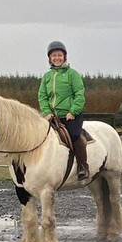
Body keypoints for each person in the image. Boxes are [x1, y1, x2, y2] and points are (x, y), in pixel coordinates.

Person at [38, 40, 89, 180]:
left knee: (74, 135)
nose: (57, 58)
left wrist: (73, 111)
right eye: (54, 55)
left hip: (70, 116)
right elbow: (42, 96)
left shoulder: (72, 74)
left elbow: (79, 94)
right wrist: (46, 112)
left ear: (64, 57)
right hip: (52, 117)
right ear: (49, 58)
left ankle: (82, 166)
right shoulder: (47, 77)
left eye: (59, 55)